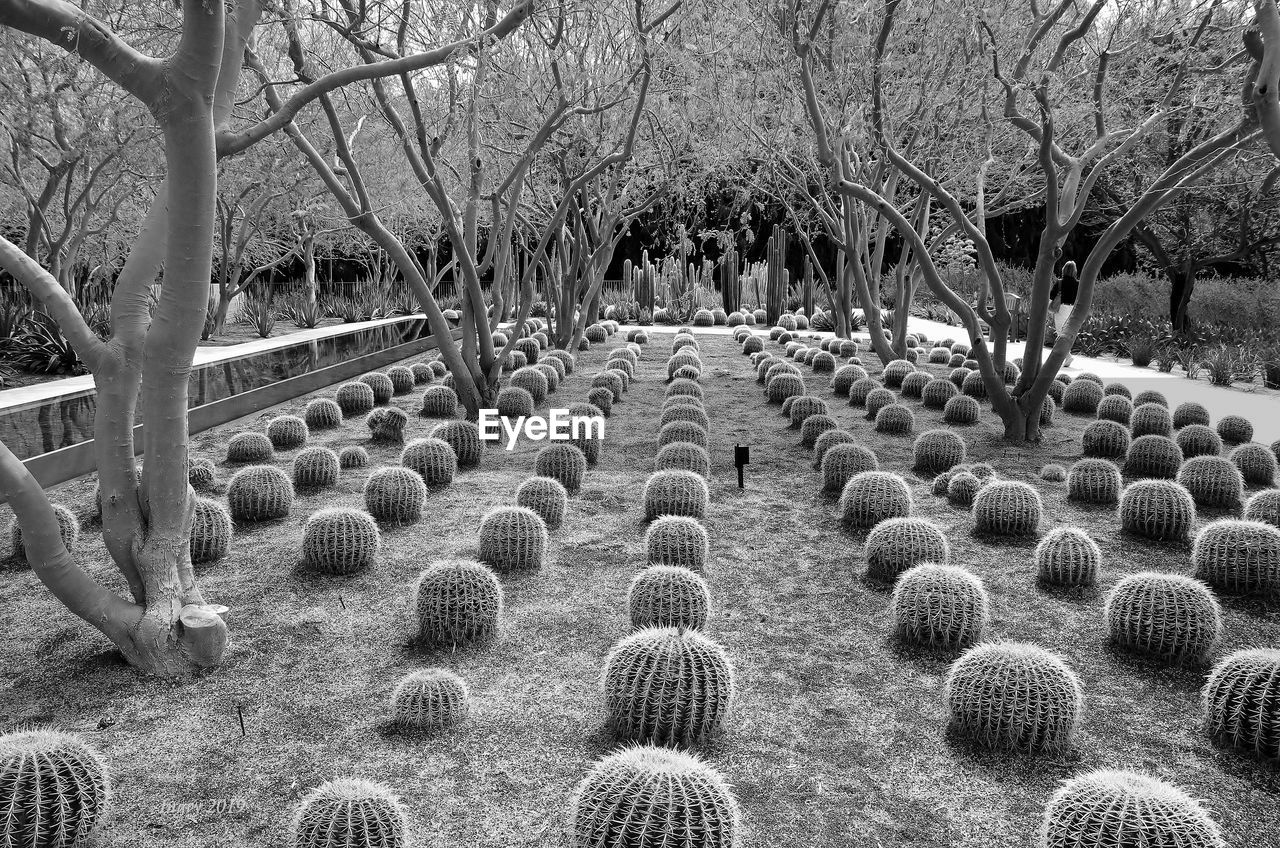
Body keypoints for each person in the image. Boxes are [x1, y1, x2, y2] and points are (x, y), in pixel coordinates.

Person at [1049, 260, 1078, 367]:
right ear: (1074, 271)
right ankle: (1066, 356)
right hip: (1074, 310)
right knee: (1067, 333)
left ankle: (1068, 356)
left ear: (1064, 269)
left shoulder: (1060, 282)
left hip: (1061, 309)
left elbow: (1051, 296)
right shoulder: (1078, 284)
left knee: (1060, 333)